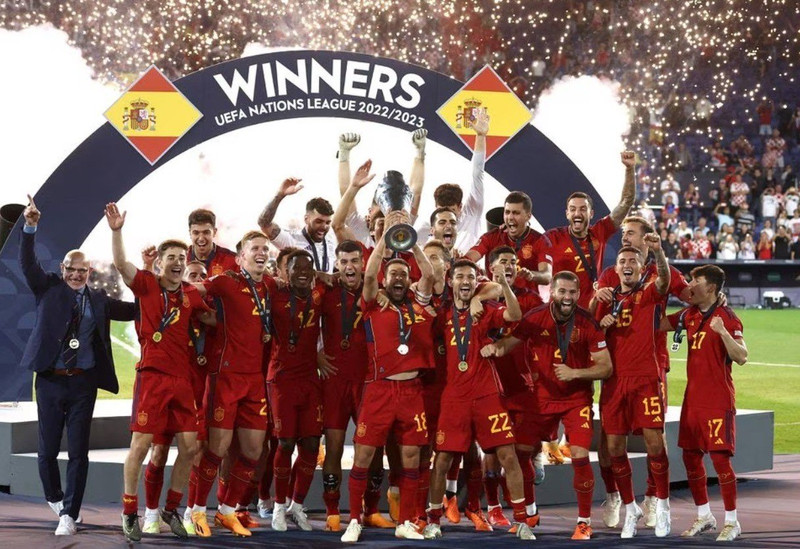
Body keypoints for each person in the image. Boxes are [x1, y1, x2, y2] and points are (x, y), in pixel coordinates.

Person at [19, 195, 135, 537]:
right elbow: (27, 263)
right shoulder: (47, 288)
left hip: (83, 383)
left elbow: (135, 310)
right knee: (47, 451)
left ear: (89, 273)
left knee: (79, 452)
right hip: (50, 381)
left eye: (82, 270)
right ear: (63, 269)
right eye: (71, 269)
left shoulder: (98, 300)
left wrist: (157, 287)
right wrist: (30, 227)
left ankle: (69, 513)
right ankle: (55, 498)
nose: (75, 274)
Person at [104, 203, 214, 542]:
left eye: (182, 258)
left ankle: (171, 509)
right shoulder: (147, 285)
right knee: (141, 445)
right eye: (172, 258)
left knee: (191, 447)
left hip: (182, 380)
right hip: (152, 376)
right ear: (159, 263)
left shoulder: (191, 294)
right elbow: (122, 264)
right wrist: (117, 231)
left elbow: (211, 317)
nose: (178, 262)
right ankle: (129, 511)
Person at [483, 271, 613, 540]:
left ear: (579, 294)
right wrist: (494, 348)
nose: (567, 297)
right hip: (540, 398)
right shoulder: (535, 317)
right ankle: (530, 511)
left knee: (579, 456)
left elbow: (606, 367)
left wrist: (575, 373)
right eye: (562, 291)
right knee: (521, 454)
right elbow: (509, 343)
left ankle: (584, 522)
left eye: (572, 292)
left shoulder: (587, 322)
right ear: (552, 291)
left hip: (576, 399)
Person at [423, 260, 539, 541]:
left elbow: (514, 314)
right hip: (454, 398)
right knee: (442, 459)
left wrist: (506, 284)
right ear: (450, 281)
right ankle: (433, 520)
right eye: (460, 276)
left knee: (508, 455)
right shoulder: (442, 314)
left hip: (487, 395)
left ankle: (521, 521)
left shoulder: (485, 310)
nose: (465, 281)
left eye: (471, 277)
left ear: (477, 282)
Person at [340, 212, 435, 542]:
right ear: (385, 279)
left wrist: (410, 239)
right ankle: (354, 520)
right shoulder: (373, 303)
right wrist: (386, 237)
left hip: (412, 392)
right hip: (379, 391)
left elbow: (430, 275)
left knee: (411, 459)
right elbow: (368, 274)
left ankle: (405, 521)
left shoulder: (418, 303)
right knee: (364, 456)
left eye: (403, 274)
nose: (397, 278)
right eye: (392, 273)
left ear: (408, 280)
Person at [189, 230, 274, 538]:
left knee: (253, 451)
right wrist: (205, 314)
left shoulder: (270, 285)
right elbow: (193, 290)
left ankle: (226, 512)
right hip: (224, 377)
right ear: (241, 257)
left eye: (265, 248)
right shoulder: (227, 281)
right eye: (255, 248)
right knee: (217, 449)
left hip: (255, 380)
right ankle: (197, 510)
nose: (261, 252)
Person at [660, 265, 748, 541]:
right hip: (693, 400)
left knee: (720, 460)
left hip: (717, 399)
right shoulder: (688, 314)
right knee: (690, 457)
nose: (689, 286)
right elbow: (659, 324)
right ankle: (704, 515)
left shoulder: (727, 318)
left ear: (710, 287)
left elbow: (742, 356)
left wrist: (722, 332)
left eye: (695, 281)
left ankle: (732, 522)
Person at [595, 237, 672, 539]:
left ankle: (662, 506)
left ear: (641, 268)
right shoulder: (607, 299)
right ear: (615, 269)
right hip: (614, 382)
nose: (627, 265)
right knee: (614, 447)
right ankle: (630, 508)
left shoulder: (649, 293)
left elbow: (664, 280)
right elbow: (590, 337)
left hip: (645, 379)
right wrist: (601, 323)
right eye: (622, 262)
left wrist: (659, 252)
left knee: (655, 443)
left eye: (633, 262)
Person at [319, 241, 393, 531]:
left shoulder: (377, 292)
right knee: (334, 447)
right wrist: (315, 353)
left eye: (354, 261)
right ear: (337, 265)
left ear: (363, 263)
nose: (349, 267)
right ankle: (332, 512)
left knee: (372, 448)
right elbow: (305, 325)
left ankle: (371, 510)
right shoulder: (326, 291)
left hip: (367, 382)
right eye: (344, 262)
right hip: (334, 380)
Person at [263, 250, 328, 531]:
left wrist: (325, 275)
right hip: (281, 379)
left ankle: (297, 505)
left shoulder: (319, 294)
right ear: (285, 273)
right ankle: (278, 506)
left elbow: (342, 279)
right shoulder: (274, 293)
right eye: (296, 268)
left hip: (310, 379)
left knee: (312, 443)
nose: (302, 272)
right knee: (285, 443)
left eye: (307, 268)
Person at [544, 150, 637, 309]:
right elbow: (526, 243)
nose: (577, 213)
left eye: (583, 209)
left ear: (591, 213)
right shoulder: (553, 237)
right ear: (567, 214)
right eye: (573, 209)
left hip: (590, 311)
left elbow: (626, 202)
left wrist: (629, 169)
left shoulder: (599, 232)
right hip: (560, 312)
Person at [413, 108, 490, 252]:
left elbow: (477, 173)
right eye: (441, 213)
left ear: (460, 207)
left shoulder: (472, 212)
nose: (447, 221)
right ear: (435, 206)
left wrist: (480, 136)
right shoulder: (427, 227)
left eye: (452, 212)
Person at [466, 191, 553, 293]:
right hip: (494, 297)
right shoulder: (491, 237)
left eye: (516, 213)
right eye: (507, 212)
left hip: (525, 299)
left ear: (528, 216)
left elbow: (547, 276)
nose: (510, 217)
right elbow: (467, 259)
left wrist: (531, 275)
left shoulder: (540, 241)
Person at [258, 179, 337, 273]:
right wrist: (280, 195)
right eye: (319, 221)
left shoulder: (331, 240)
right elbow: (264, 223)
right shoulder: (292, 239)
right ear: (306, 219)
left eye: (327, 223)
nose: (324, 227)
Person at [186, 208, 239, 276]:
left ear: (214, 232)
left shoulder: (233, 261)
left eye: (206, 232)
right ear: (190, 233)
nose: (201, 238)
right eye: (196, 233)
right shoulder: (181, 260)